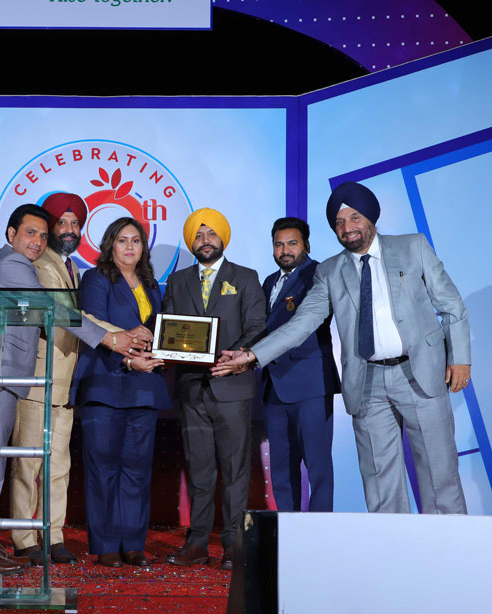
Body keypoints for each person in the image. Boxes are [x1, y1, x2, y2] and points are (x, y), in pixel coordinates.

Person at [215, 181, 470, 514]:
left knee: (439, 473)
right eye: (339, 222)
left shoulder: (413, 246)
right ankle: (395, 545)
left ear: (370, 218)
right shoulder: (330, 271)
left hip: (419, 371)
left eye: (353, 218)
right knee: (380, 482)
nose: (347, 227)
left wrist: (460, 358)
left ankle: (450, 544)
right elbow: (301, 323)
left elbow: (451, 306)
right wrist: (252, 355)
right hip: (367, 382)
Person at [0, 204, 142, 574]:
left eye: (42, 235)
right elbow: (51, 308)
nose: (38, 240)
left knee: (6, 463)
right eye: (32, 232)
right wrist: (109, 338)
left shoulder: (64, 266)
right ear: (11, 234)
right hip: (4, 373)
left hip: (27, 375)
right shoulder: (16, 264)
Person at [9, 193, 150, 566]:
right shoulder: (37, 263)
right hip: (38, 377)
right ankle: (23, 537)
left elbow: (80, 317)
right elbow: (62, 313)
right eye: (62, 223)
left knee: (59, 467)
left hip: (69, 379)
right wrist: (117, 336)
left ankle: (53, 535)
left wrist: (118, 337)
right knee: (28, 464)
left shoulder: (71, 267)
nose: (69, 230)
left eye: (75, 223)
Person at [161, 208, 265, 570]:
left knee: (235, 471)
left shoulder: (246, 277)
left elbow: (257, 326)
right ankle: (197, 544)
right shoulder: (178, 281)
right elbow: (169, 328)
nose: (205, 241)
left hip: (232, 386)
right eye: (199, 235)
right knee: (200, 471)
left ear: (223, 238)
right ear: (191, 242)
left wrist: (234, 356)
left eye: (211, 234)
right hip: (191, 389)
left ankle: (234, 545)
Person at [71, 216, 169, 568]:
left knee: (137, 470)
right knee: (103, 470)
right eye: (123, 240)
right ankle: (107, 545)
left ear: (143, 248)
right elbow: (93, 326)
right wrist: (128, 357)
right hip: (105, 383)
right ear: (110, 244)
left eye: (136, 240)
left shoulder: (151, 284)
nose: (130, 246)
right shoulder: (96, 279)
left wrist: (160, 351)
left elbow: (159, 331)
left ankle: (133, 544)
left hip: (145, 387)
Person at [260, 217, 340, 512]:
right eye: (279, 244)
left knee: (318, 466)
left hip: (310, 384)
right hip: (273, 387)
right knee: (281, 467)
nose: (285, 250)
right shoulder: (269, 281)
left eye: (292, 243)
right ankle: (288, 530)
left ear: (306, 245)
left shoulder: (320, 275)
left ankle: (320, 532)